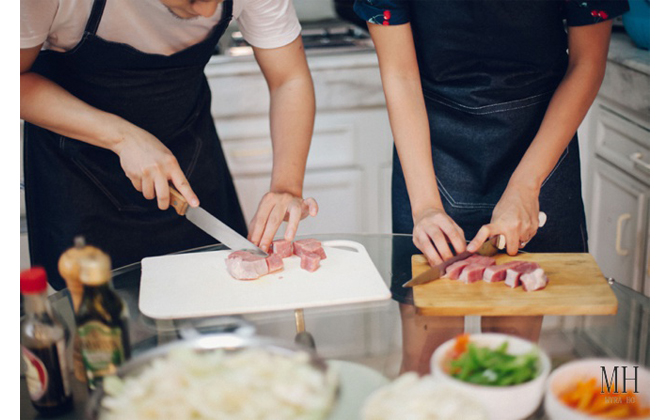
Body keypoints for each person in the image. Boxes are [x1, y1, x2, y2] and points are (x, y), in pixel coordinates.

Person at [354, 0, 629, 374]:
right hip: (431, 145)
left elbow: (587, 63)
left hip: (537, 139)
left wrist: (526, 185)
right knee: (426, 362)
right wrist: (426, 207)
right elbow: (400, 74)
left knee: (507, 361)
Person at [21, 0, 318, 290]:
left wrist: (287, 187)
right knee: (100, 329)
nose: (207, 10)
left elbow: (288, 78)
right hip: (76, 180)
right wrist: (121, 137)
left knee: (215, 312)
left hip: (190, 166)